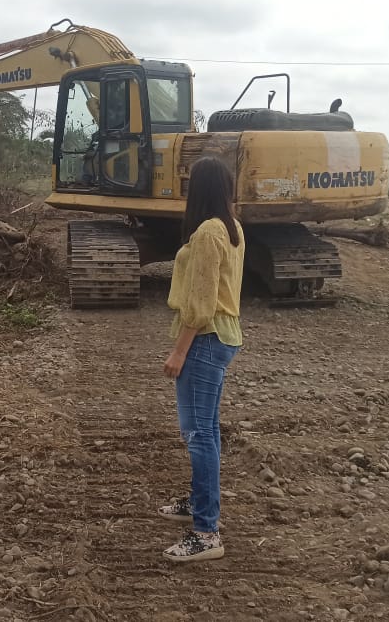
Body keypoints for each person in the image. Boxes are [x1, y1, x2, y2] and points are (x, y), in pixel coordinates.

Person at [157, 155, 245, 562]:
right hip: (222, 336)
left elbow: (202, 302)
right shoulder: (231, 227)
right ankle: (198, 503)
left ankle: (206, 533)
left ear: (200, 189)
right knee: (207, 429)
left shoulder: (209, 232)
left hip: (205, 338)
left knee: (198, 434)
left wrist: (179, 350)